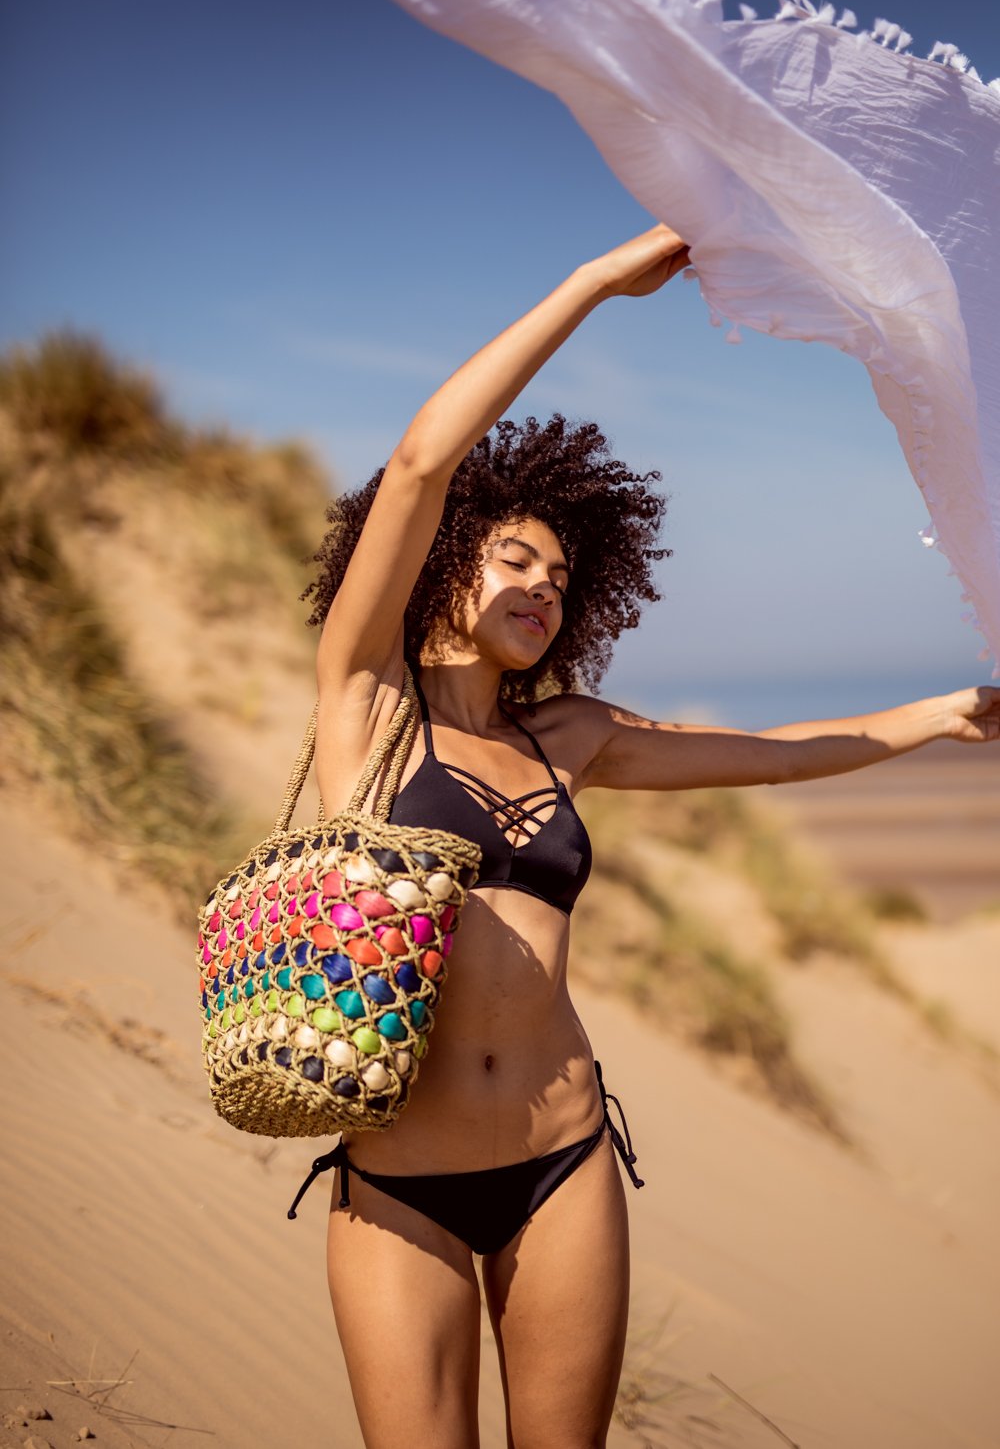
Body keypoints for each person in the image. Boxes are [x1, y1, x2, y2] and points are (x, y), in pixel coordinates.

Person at [304, 224, 1000, 1449]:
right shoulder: (362, 705)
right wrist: (587, 286)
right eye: (514, 558)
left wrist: (937, 717)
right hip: (396, 1178)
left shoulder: (571, 735)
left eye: (564, 579)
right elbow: (419, 463)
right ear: (443, 569)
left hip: (564, 1160)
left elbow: (774, 758)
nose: (543, 588)